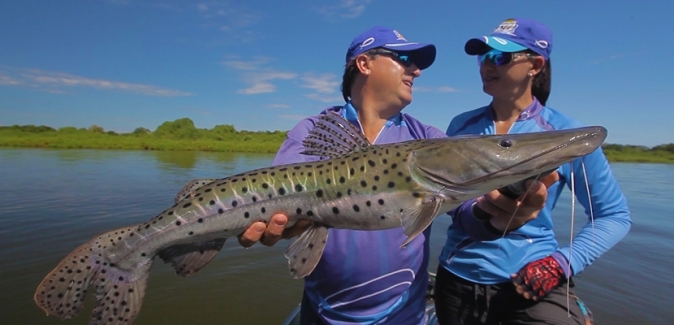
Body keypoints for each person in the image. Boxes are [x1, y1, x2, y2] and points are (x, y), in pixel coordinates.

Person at [240, 25, 553, 324]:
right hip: (322, 313)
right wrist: (281, 223)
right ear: (364, 63)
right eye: (405, 59)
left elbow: (467, 214)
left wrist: (498, 212)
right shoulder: (313, 129)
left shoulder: (429, 138)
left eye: (416, 64)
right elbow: (277, 198)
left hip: (404, 315)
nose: (416, 70)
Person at [433, 18, 632, 325]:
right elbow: (448, 198)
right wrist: (478, 214)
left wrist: (561, 263)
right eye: (482, 56)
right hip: (457, 276)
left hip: (530, 281)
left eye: (500, 56)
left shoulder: (567, 135)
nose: (487, 64)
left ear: (535, 65)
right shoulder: (461, 125)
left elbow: (613, 215)